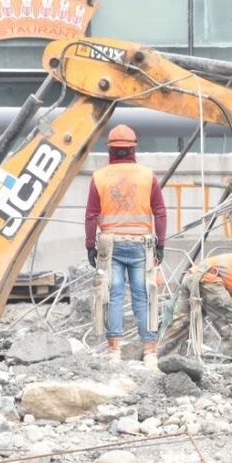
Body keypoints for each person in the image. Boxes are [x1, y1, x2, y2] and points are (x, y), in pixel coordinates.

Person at [86, 125, 167, 365]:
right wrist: (161, 243)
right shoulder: (147, 175)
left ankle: (114, 352)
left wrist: (90, 244)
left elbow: (91, 215)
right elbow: (160, 211)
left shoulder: (99, 177)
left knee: (114, 294)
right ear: (133, 148)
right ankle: (150, 351)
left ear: (110, 149)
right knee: (144, 295)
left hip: (111, 245)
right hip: (141, 245)